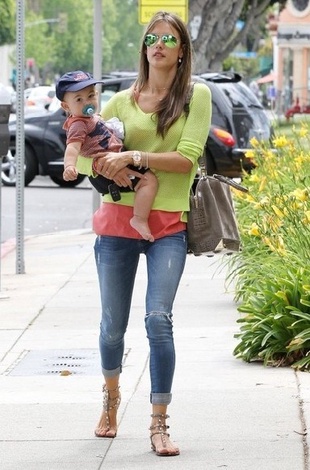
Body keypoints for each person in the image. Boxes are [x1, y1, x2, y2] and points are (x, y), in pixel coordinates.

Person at [77, 11, 211, 456]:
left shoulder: (197, 96)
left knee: (158, 319)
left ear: (181, 50)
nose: (158, 44)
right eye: (151, 38)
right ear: (144, 47)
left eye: (168, 39)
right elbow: (82, 156)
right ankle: (112, 400)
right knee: (112, 326)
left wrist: (135, 155)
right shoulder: (117, 102)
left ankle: (159, 421)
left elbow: (187, 158)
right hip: (116, 225)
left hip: (167, 226)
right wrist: (101, 161)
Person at [55, 70, 158, 241]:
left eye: (90, 96)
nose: (87, 102)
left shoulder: (89, 118)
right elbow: (72, 148)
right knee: (149, 181)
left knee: (146, 180)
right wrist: (69, 166)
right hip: (109, 167)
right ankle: (139, 219)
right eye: (79, 99)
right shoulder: (78, 124)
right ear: (66, 106)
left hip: (116, 159)